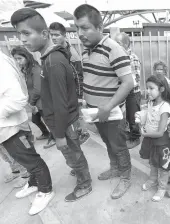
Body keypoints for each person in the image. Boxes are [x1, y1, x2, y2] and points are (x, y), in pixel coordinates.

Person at [11, 7, 92, 202]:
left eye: (26, 33)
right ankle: (80, 171)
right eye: (19, 33)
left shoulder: (53, 62)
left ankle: (85, 184)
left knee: (73, 155)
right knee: (73, 155)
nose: (22, 39)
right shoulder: (48, 58)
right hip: (61, 122)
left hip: (64, 124)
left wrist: (59, 135)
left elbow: (60, 103)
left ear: (44, 33)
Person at [73, 4, 133, 199]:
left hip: (111, 112)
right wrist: (85, 100)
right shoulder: (86, 49)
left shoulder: (113, 49)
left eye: (85, 27)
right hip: (95, 111)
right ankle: (114, 168)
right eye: (77, 28)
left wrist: (108, 106)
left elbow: (128, 83)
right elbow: (91, 78)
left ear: (99, 28)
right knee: (107, 142)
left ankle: (125, 177)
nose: (80, 33)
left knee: (118, 145)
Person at [0, 51, 54, 215]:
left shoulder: (3, 64)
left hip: (11, 126)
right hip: (8, 125)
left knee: (30, 159)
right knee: (22, 158)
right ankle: (34, 183)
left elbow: (18, 98)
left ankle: (45, 190)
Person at [48, 22, 90, 145]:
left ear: (64, 35)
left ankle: (84, 133)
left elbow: (79, 76)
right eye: (52, 35)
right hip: (63, 89)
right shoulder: (54, 50)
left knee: (78, 114)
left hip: (73, 91)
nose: (54, 38)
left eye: (57, 35)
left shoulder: (72, 54)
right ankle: (75, 132)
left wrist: (79, 96)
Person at [138, 75, 170, 202]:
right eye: (147, 88)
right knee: (153, 162)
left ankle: (162, 188)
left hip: (161, 142)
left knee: (163, 166)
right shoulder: (151, 102)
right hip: (151, 139)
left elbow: (159, 132)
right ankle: (153, 180)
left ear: (162, 89)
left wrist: (145, 134)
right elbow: (149, 118)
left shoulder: (165, 107)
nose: (148, 91)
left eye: (151, 88)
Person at [10, 46, 55, 149]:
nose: (18, 61)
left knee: (49, 121)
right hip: (35, 101)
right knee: (35, 120)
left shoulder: (36, 69)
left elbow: (38, 89)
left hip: (42, 102)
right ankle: (46, 133)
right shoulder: (26, 69)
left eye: (20, 58)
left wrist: (32, 103)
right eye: (16, 59)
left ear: (27, 57)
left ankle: (53, 138)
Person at [115, 32, 142, 149]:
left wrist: (123, 83)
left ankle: (135, 138)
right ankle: (129, 134)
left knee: (133, 116)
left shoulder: (132, 57)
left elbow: (135, 78)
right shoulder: (117, 58)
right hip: (123, 90)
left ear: (126, 44)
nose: (115, 46)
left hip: (133, 92)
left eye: (118, 43)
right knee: (123, 116)